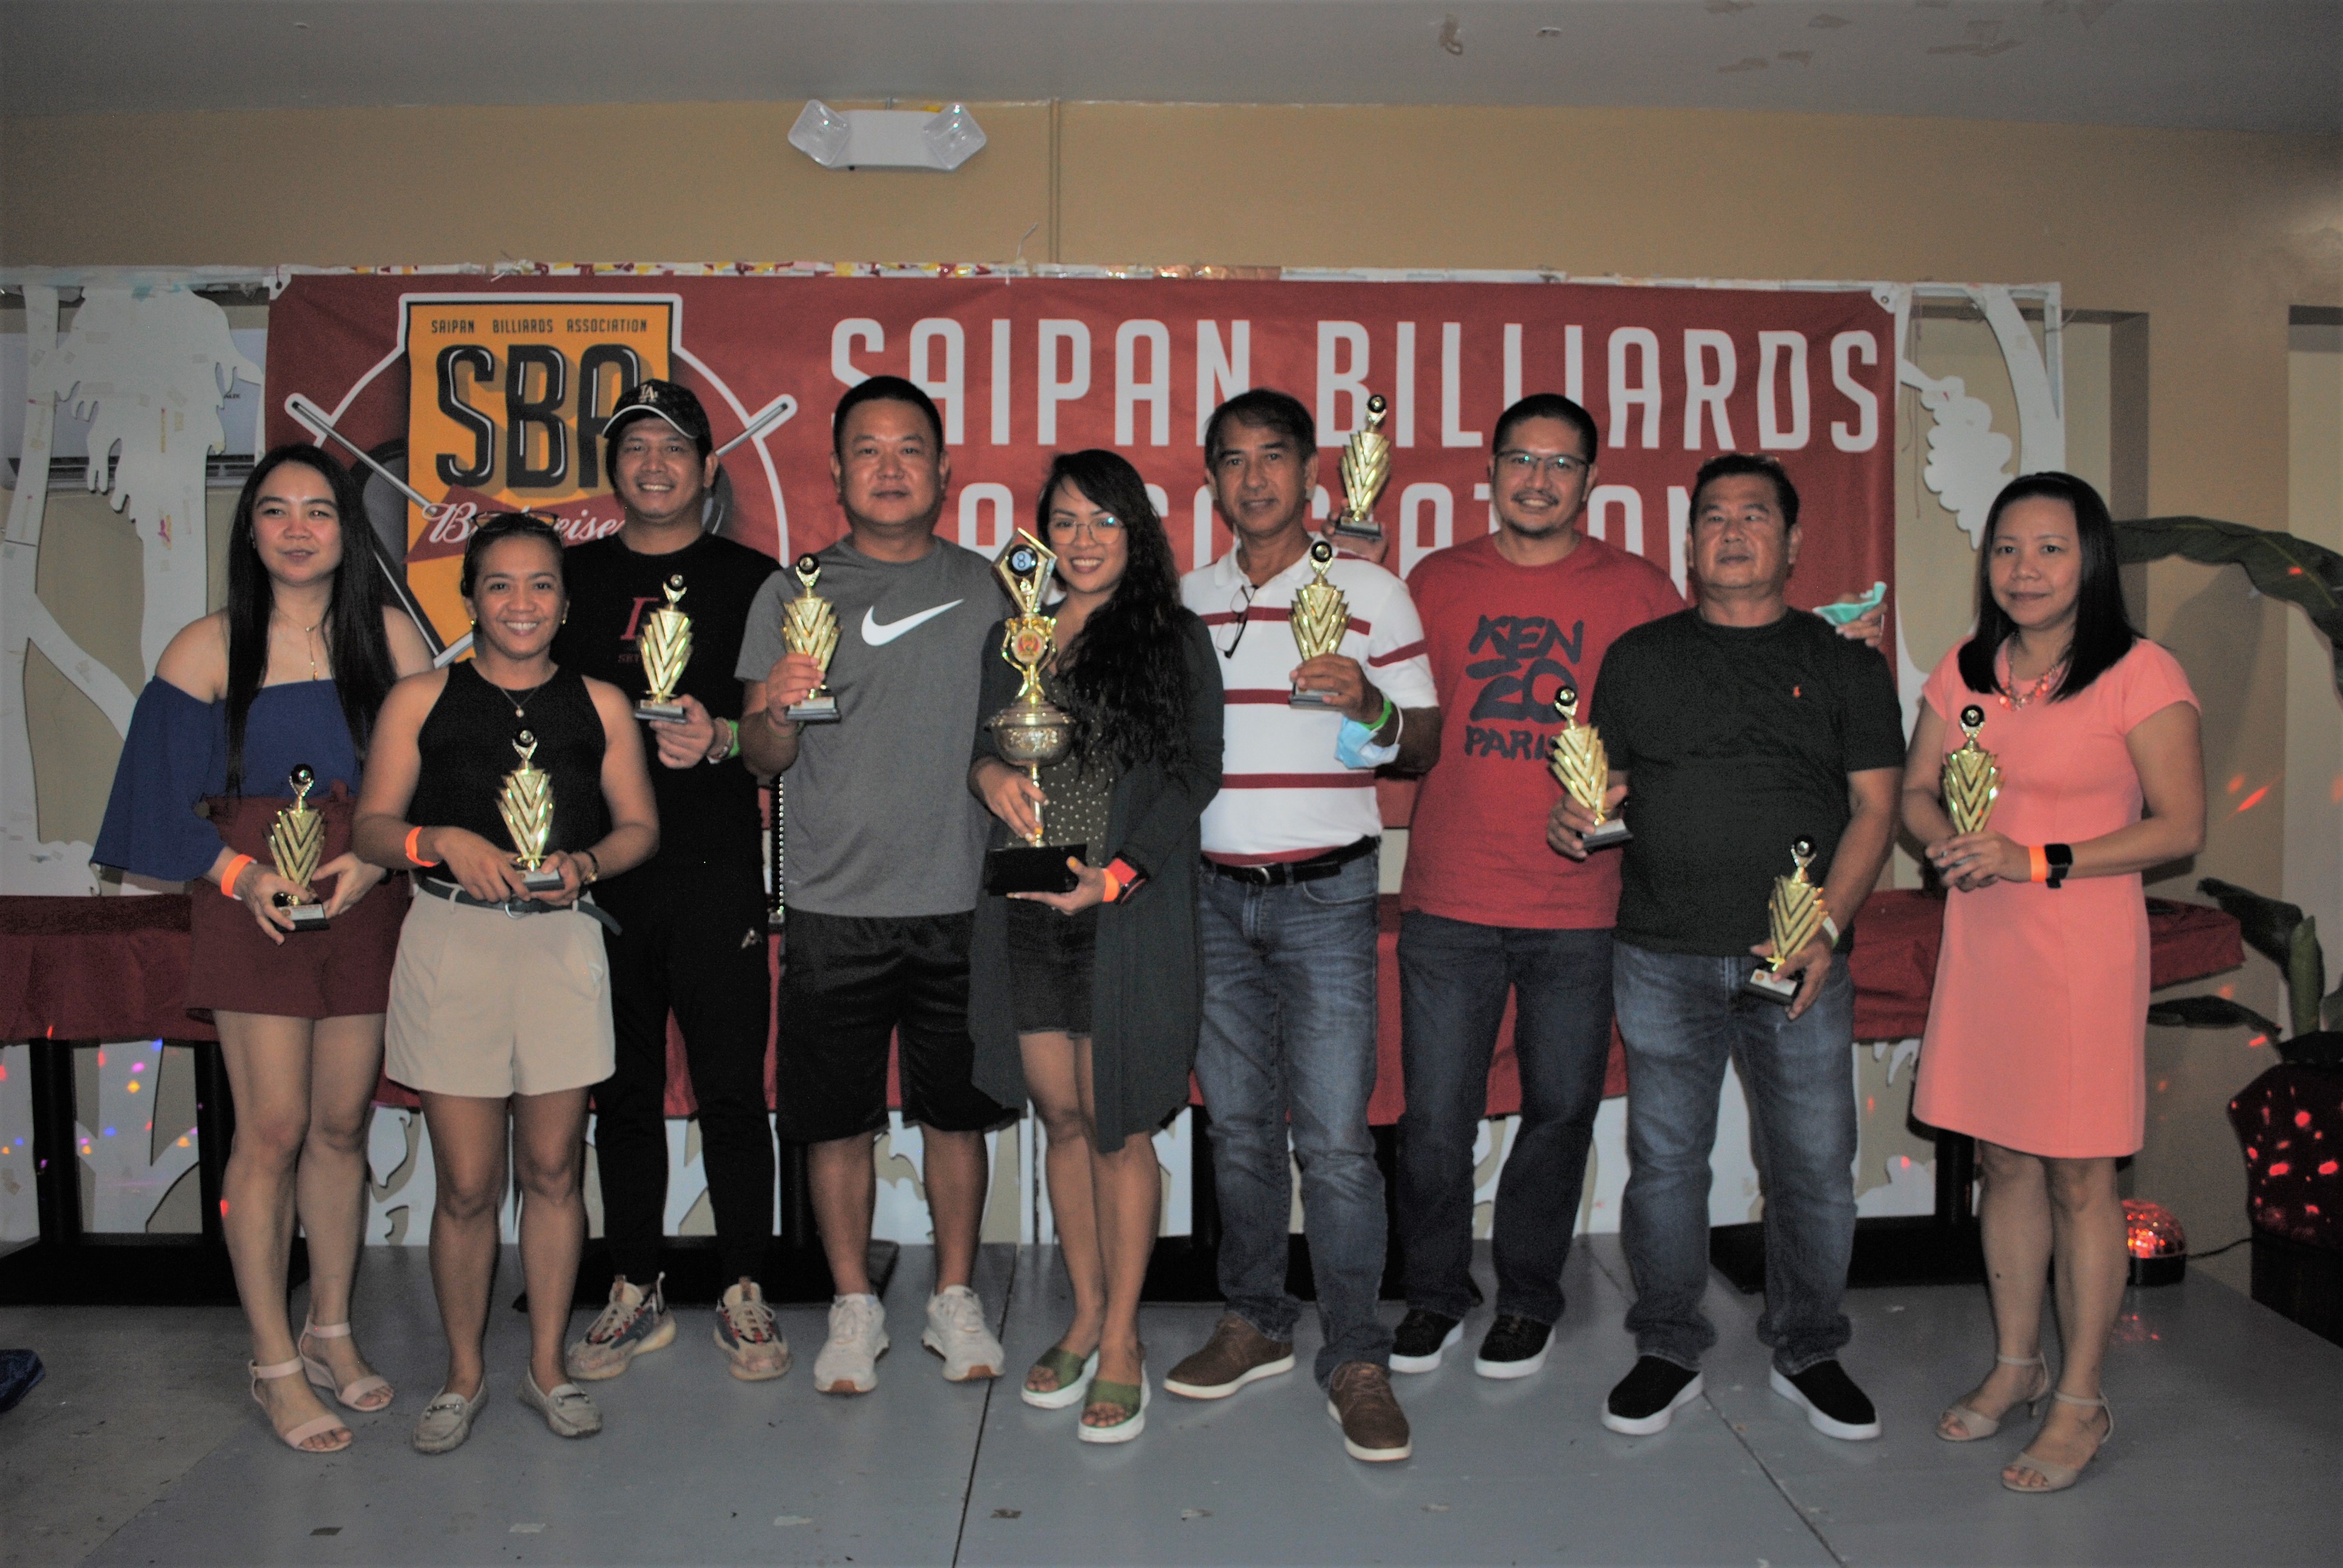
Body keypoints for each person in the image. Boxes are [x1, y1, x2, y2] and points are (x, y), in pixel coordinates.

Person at [1555, 452, 1902, 1443]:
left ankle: (1809, 1347)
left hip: (1799, 960)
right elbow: (1604, 793)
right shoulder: (1639, 658)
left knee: (1814, 1166)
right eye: (1714, 516)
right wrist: (1573, 819)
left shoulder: (1846, 664)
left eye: (1756, 516)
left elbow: (1876, 810)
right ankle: (1668, 1346)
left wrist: (1823, 931)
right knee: (1667, 1163)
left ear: (1793, 543)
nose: (1733, 532)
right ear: (1690, 542)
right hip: (1661, 952)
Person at [93, 444, 432, 1452]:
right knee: (274, 1128)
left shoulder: (393, 640)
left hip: (362, 899)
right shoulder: (205, 649)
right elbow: (153, 804)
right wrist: (243, 877)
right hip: (252, 906)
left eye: (317, 511)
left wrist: (376, 862)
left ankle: (330, 1329)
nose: (297, 529)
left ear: (346, 531)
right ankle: (274, 1360)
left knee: (341, 1126)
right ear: (250, 531)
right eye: (275, 510)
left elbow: (435, 775)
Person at [1902, 472, 2202, 1494]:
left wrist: (2036, 860)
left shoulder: (2139, 672)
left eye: (2049, 549)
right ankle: (2016, 1364)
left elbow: (2179, 825)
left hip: (2081, 947)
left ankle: (2081, 1397)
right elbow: (1917, 790)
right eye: (2006, 549)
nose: (2023, 570)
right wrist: (1945, 843)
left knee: (2081, 1175)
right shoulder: (1967, 667)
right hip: (1986, 940)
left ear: (2090, 561)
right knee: (2003, 1160)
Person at [1164, 388, 1440, 1463]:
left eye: (1273, 456)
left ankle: (1357, 1355)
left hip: (1327, 897)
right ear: (1213, 481)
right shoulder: (1187, 600)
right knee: (1237, 1130)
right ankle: (1256, 1319)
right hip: (1210, 897)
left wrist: (1370, 703)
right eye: (1233, 460)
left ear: (1313, 473)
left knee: (1333, 1143)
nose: (1255, 477)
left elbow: (1422, 740)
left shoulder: (1371, 590)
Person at [1389, 396, 1686, 1380]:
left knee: (1560, 1113)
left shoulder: (1640, 591)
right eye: (1522, 459)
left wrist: (1623, 797)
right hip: (1451, 899)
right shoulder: (1435, 582)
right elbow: (1396, 721)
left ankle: (1527, 1297)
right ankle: (1434, 1291)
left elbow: (1676, 738)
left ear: (1590, 481)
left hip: (1583, 910)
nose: (1538, 480)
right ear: (1490, 469)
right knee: (1435, 1122)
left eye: (1562, 464)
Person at [355, 514, 660, 1453]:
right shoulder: (420, 699)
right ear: (471, 599)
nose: (521, 603)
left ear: (564, 605)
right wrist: (439, 840)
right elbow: (372, 829)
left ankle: (548, 1368)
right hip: (455, 943)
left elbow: (639, 828)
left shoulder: (601, 704)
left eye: (540, 585)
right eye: (499, 584)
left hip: (562, 943)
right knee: (466, 1185)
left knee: (556, 1172)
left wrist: (587, 865)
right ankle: (462, 1376)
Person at [738, 376, 1014, 1396]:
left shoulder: (990, 587)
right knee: (834, 1119)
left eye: (910, 450)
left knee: (957, 1115)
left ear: (944, 473)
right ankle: (854, 1305)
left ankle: (954, 1297)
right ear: (837, 471)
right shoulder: (792, 591)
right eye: (868, 449)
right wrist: (775, 706)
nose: (889, 468)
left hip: (962, 899)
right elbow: (761, 757)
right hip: (832, 905)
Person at [966, 451, 1224, 1443]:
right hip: (1027, 901)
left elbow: (1197, 773)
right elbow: (985, 745)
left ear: (1137, 533)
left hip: (1122, 909)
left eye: (1103, 521)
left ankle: (1122, 1340)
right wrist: (989, 774)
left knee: (1118, 1125)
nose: (1082, 541)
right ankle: (1081, 1315)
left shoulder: (1172, 637)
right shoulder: (1015, 635)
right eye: (1065, 521)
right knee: (1062, 1119)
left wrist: (1117, 878)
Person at [548, 380, 788, 1385]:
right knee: (623, 1093)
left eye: (674, 446)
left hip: (717, 868)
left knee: (733, 1089)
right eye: (635, 446)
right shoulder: (568, 579)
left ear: (709, 467)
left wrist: (723, 736)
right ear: (614, 468)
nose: (655, 463)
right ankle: (633, 1284)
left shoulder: (759, 580)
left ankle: (744, 1287)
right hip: (604, 877)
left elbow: (777, 736)